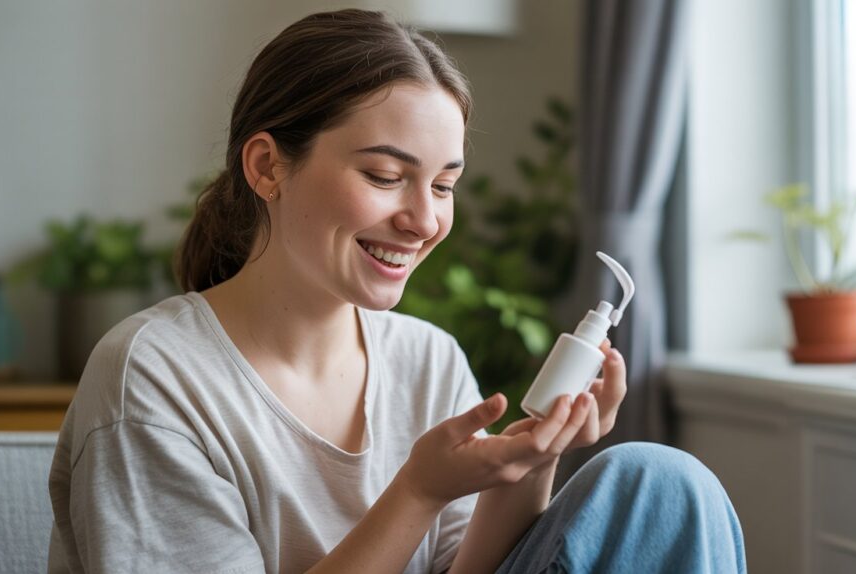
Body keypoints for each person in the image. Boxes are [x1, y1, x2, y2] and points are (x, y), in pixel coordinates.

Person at [47, 9, 745, 574]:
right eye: (386, 176)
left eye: (444, 186)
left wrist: (534, 454)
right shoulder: (156, 375)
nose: (424, 219)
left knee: (661, 484)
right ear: (266, 166)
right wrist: (417, 491)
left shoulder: (426, 358)